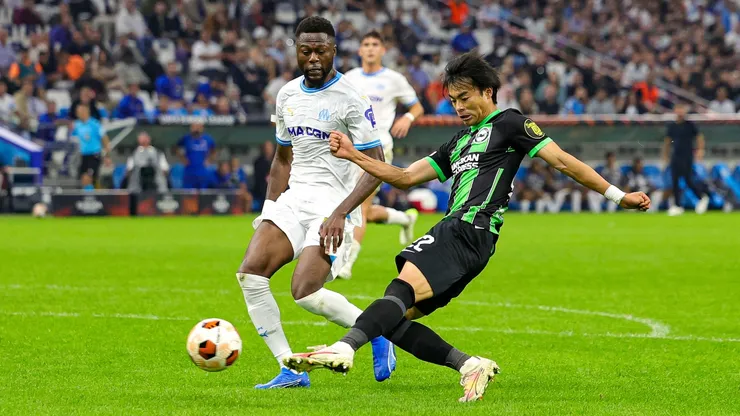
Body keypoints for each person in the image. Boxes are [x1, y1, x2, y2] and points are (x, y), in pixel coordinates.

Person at [283, 52, 651, 402]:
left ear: (488, 92)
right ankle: (469, 365)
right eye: (453, 101)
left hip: (468, 228)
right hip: (467, 239)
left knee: (397, 292)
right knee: (392, 318)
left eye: (464, 98)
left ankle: (343, 348)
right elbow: (406, 177)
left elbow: (563, 162)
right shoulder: (457, 142)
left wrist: (618, 195)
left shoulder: (510, 124)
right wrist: (354, 155)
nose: (458, 107)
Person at [235, 16, 396, 390]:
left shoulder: (351, 98)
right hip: (294, 200)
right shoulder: (287, 95)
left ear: (334, 50)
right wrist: (269, 210)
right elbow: (282, 159)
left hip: (332, 206)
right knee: (250, 275)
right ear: (296, 51)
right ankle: (289, 370)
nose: (313, 58)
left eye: (320, 50)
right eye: (305, 51)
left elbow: (378, 165)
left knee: (304, 292)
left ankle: (377, 331)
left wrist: (341, 213)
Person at [339, 31, 425, 279]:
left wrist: (407, 118)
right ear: (359, 50)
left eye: (375, 44)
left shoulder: (394, 79)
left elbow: (417, 106)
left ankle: (346, 264)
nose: (370, 48)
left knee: (359, 206)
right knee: (357, 207)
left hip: (379, 148)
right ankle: (404, 219)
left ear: (382, 50)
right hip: (351, 149)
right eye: (366, 44)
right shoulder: (349, 78)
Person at [663, 103, 710, 216]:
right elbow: (667, 141)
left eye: (682, 109)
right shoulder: (672, 126)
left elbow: (699, 137)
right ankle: (677, 205)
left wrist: (700, 150)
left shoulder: (690, 125)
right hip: (675, 156)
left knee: (688, 180)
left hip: (687, 156)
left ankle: (701, 197)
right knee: (674, 181)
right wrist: (665, 155)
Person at [71, 105, 109, 182]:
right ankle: (90, 189)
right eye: (77, 112)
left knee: (88, 178)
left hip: (94, 155)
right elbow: (73, 138)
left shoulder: (95, 124)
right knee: (82, 179)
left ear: (87, 112)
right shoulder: (77, 125)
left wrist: (107, 156)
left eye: (81, 111)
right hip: (83, 156)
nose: (79, 114)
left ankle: (93, 188)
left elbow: (105, 139)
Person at [177, 122, 215, 189]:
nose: (196, 129)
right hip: (189, 172)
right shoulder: (186, 138)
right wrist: (182, 158)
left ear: (202, 128)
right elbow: (176, 148)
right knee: (188, 193)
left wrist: (209, 160)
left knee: (203, 193)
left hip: (203, 172)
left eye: (198, 127)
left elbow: (214, 151)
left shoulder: (208, 139)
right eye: (194, 127)